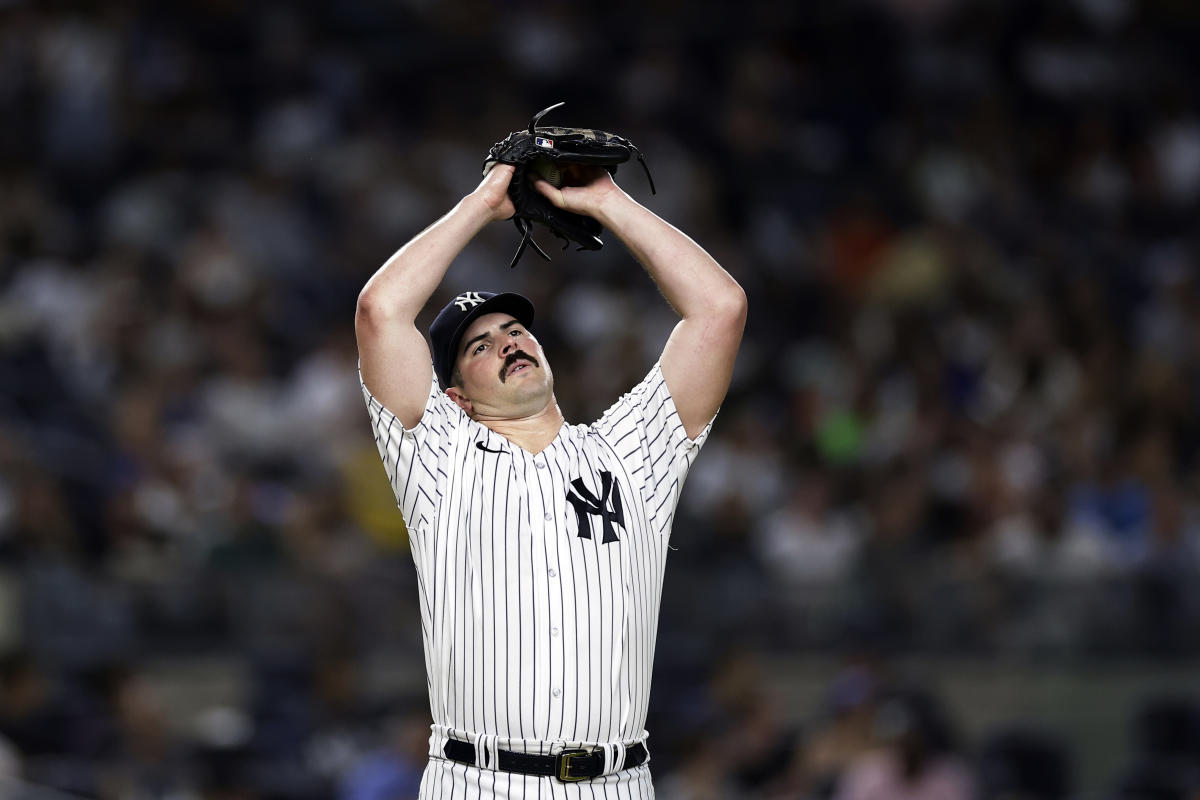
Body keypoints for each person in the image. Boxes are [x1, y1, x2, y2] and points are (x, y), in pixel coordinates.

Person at [354, 159, 746, 798]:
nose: (507, 342)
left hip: (617, 781)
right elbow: (381, 310)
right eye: (478, 347)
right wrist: (483, 204)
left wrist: (607, 201)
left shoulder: (629, 454)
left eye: (514, 330)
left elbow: (720, 309)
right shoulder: (438, 455)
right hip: (480, 779)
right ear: (453, 396)